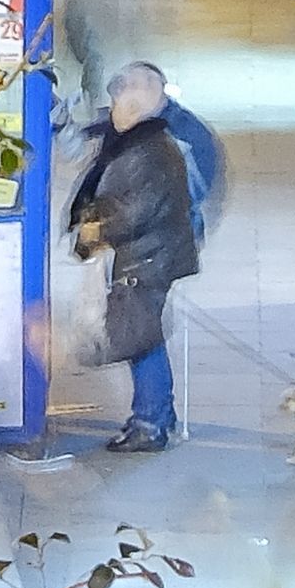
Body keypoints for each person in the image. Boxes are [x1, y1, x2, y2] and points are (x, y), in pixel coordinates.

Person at [63, 58, 198, 451]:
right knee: (143, 337)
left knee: (140, 341)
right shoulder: (135, 139)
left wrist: (97, 229)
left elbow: (137, 211)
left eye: (121, 101)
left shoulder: (151, 150)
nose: (115, 109)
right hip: (149, 256)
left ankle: (150, 423)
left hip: (147, 260)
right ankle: (158, 414)